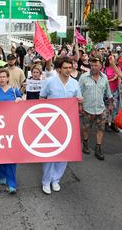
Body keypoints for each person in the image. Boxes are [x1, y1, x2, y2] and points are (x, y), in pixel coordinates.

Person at [39, 57, 82, 195]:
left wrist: (80, 101)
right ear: (59, 69)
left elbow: (79, 101)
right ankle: (46, 181)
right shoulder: (50, 82)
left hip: (68, 123)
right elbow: (42, 99)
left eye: (70, 67)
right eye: (65, 67)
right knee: (50, 152)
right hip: (51, 122)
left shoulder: (75, 84)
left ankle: (56, 179)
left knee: (64, 152)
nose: (68, 70)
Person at [79, 57, 112, 160]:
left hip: (101, 109)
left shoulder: (105, 78)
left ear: (100, 66)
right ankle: (85, 143)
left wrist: (110, 104)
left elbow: (108, 93)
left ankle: (98, 148)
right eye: (92, 65)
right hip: (87, 109)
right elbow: (78, 93)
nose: (93, 67)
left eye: (95, 65)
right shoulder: (83, 77)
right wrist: (79, 106)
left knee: (101, 129)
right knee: (85, 128)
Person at [103, 56, 120, 133]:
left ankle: (113, 123)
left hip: (115, 90)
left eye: (113, 59)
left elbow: (119, 76)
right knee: (106, 107)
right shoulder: (104, 69)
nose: (112, 60)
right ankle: (106, 123)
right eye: (110, 59)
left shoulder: (117, 68)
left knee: (115, 107)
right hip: (106, 91)